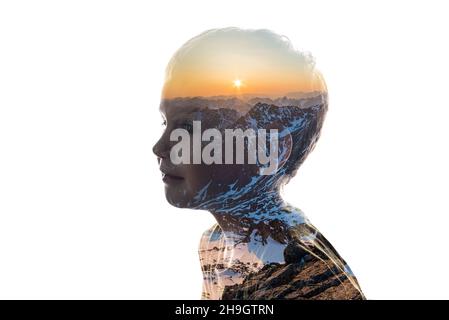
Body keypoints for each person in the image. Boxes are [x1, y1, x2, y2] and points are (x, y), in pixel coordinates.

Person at [152, 27, 365, 300]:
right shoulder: (215, 244)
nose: (160, 147)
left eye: (188, 129)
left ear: (269, 149)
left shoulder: (298, 274)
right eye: (165, 123)